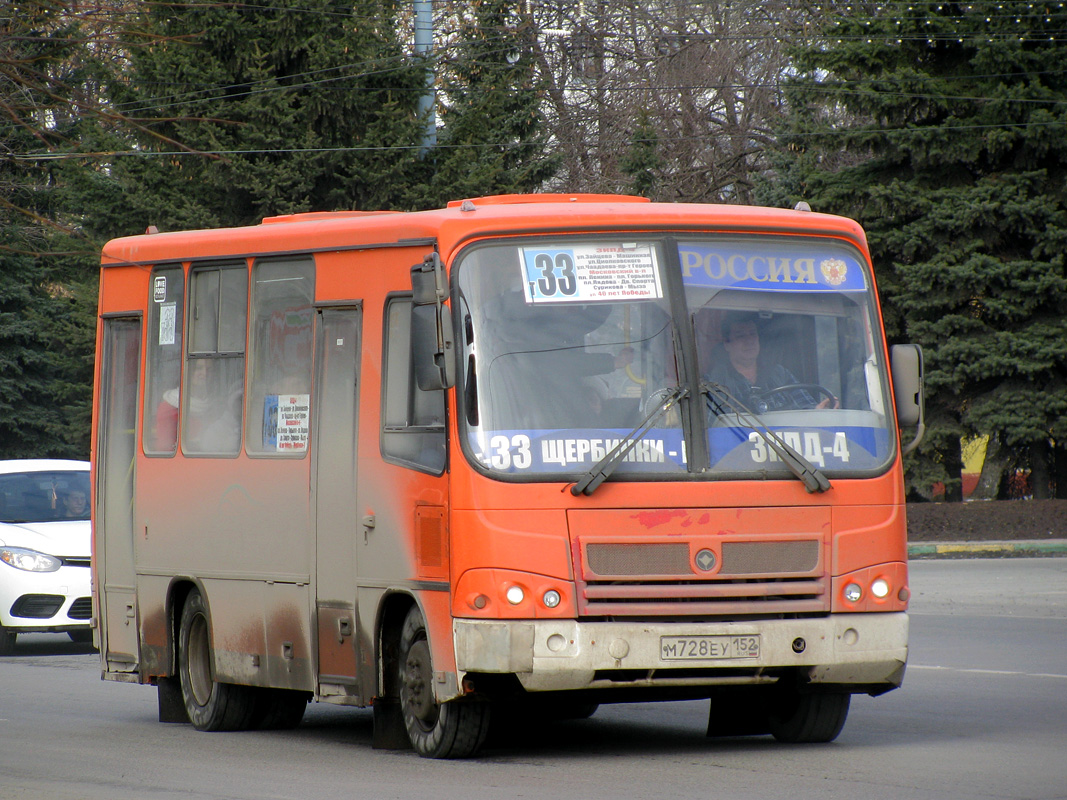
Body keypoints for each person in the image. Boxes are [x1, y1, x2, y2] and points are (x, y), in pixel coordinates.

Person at [706, 312, 835, 413]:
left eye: (752, 334)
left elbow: (807, 409)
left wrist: (820, 411)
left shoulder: (779, 374)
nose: (749, 341)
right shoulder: (716, 382)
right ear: (727, 344)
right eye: (741, 336)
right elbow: (714, 428)